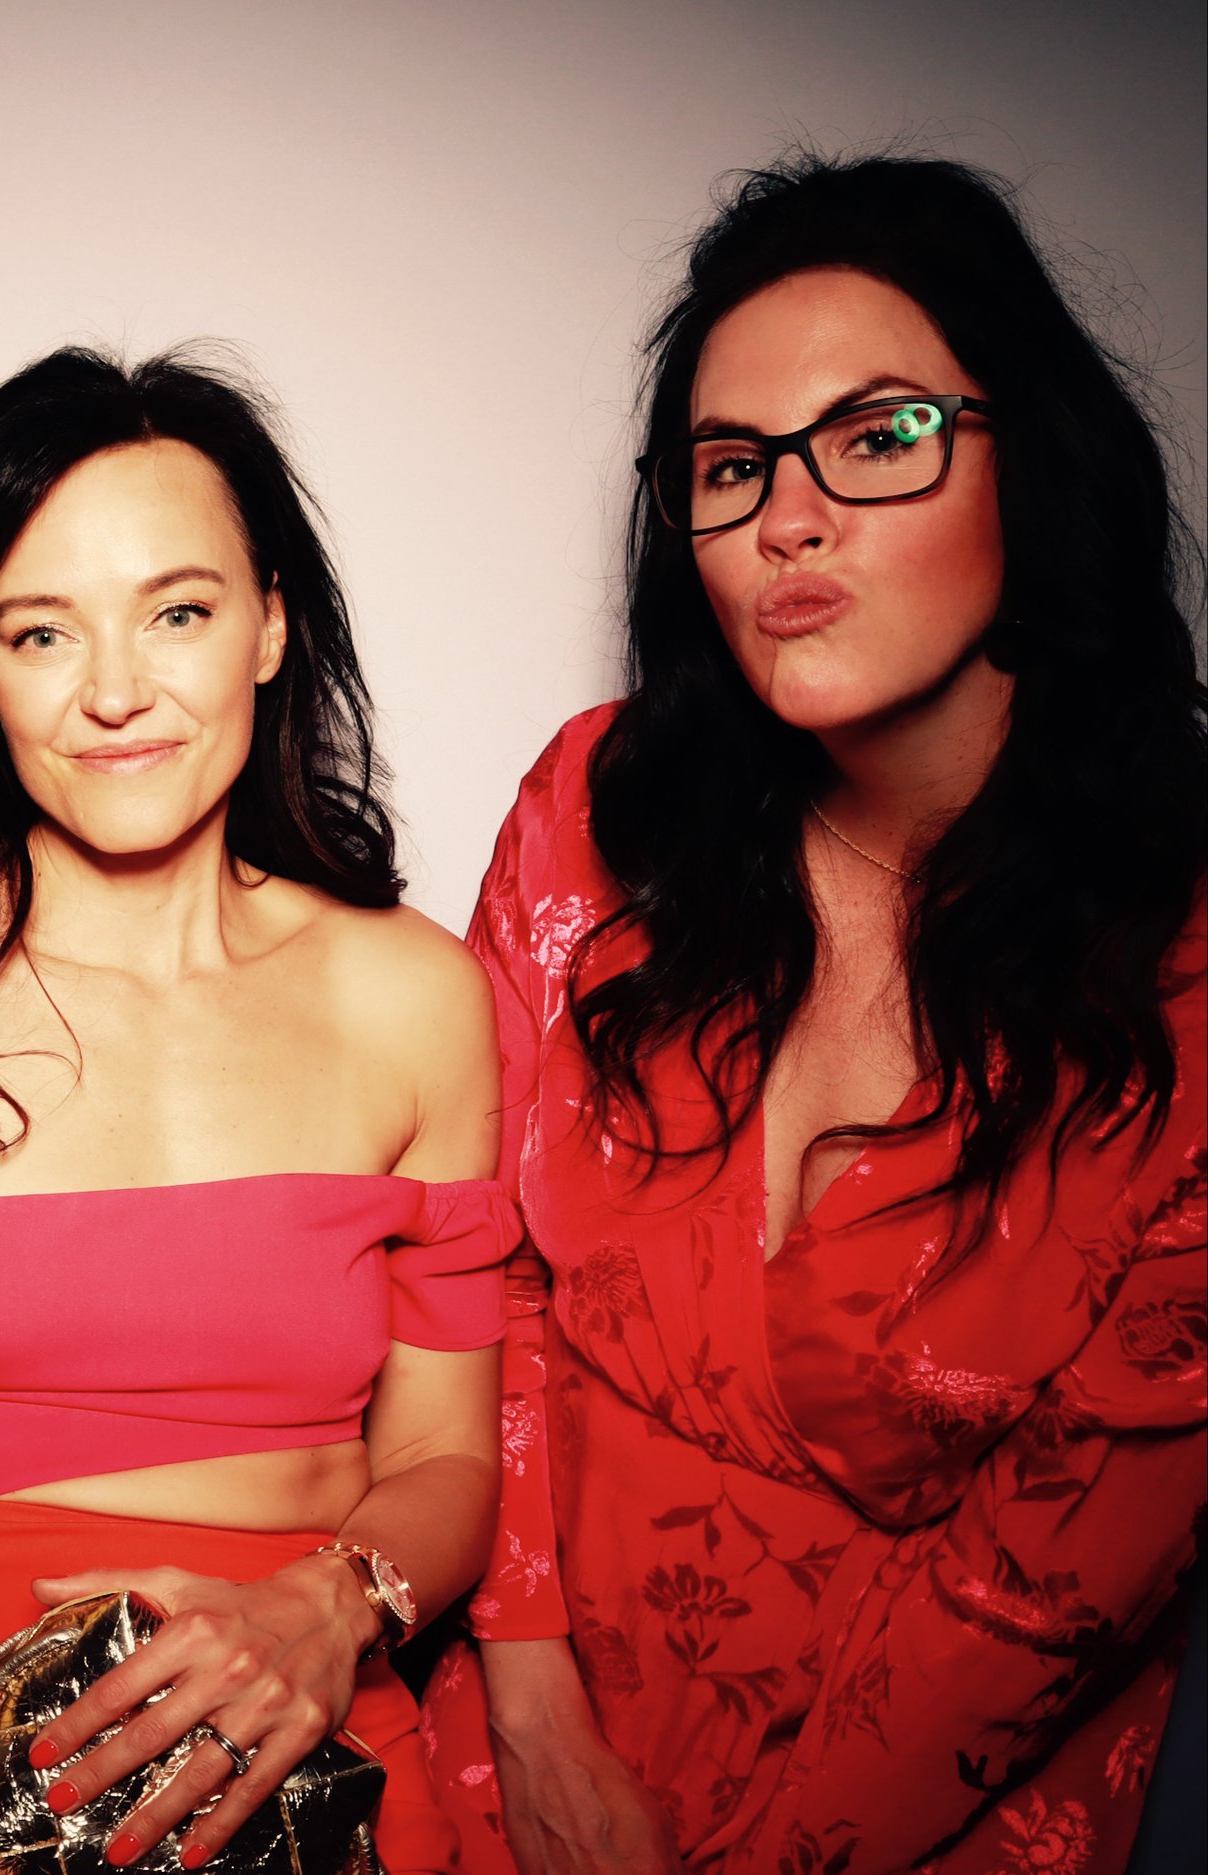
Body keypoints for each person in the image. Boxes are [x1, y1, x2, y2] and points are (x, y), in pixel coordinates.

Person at [422, 154, 1207, 1875]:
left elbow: (1049, 1586)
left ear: (1035, 460)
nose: (789, 516)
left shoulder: (1192, 968)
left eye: (878, 437)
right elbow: (483, 1266)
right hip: (502, 1747)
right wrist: (533, 1715)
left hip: (923, 1815)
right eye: (730, 467)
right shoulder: (590, 807)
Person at [0, 347, 510, 1874]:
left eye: (179, 612)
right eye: (42, 631)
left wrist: (326, 1608)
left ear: (272, 623)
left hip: (317, 1753)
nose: (112, 692)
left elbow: (450, 1459)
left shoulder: (415, 1000)